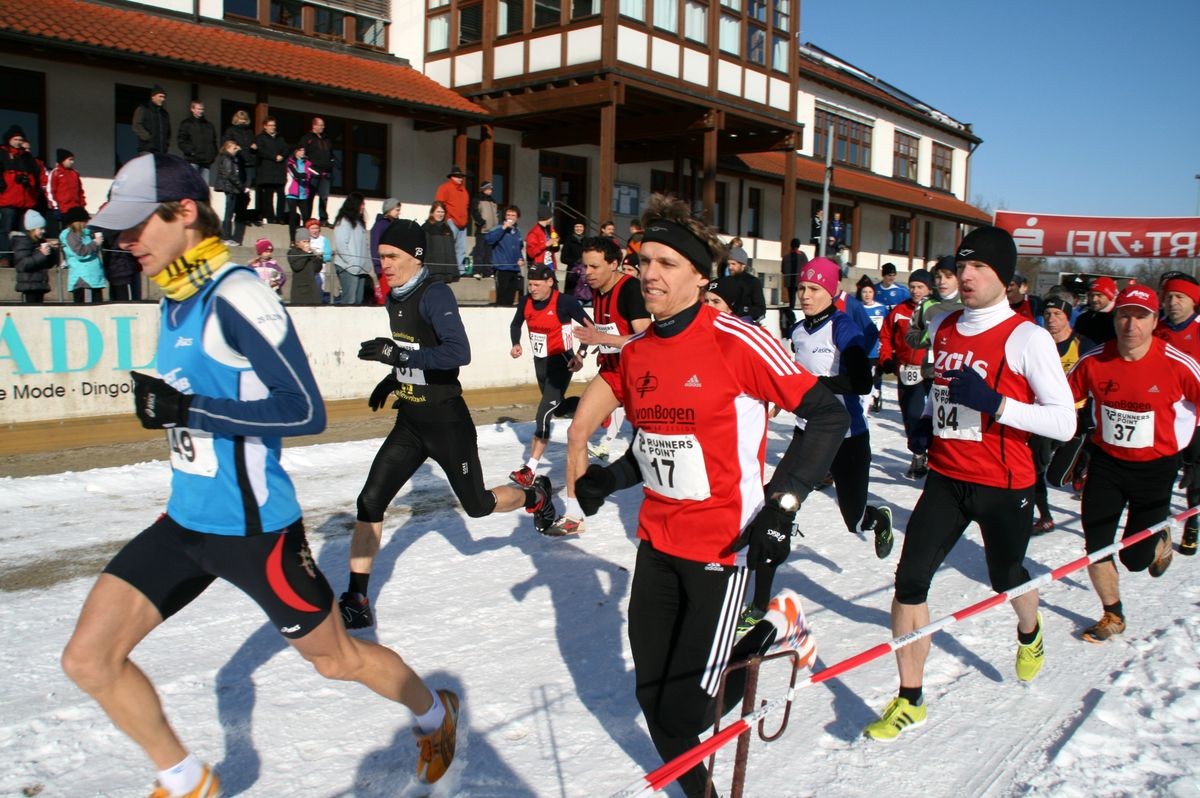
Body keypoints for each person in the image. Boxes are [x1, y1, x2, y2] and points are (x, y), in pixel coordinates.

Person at [60, 153, 461, 797]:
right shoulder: (176, 298)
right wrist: (173, 409)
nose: (126, 241)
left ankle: (435, 715)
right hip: (185, 522)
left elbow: (305, 410)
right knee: (88, 658)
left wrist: (188, 409)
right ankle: (187, 780)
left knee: (338, 660)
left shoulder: (237, 294)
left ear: (184, 213)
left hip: (257, 533)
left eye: (137, 225)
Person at [569, 194, 849, 797]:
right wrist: (608, 479)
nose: (650, 274)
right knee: (653, 698)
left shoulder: (739, 340)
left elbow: (829, 416)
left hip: (724, 549)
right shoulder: (636, 353)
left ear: (701, 276)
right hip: (656, 543)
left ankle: (776, 625)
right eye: (644, 261)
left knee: (688, 713)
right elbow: (654, 447)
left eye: (667, 263)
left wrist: (783, 505)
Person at [864, 226, 1075, 742]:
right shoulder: (945, 325)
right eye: (962, 266)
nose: (966, 275)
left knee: (1006, 577)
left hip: (1005, 483)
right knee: (910, 581)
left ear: (1003, 275)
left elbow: (1064, 423)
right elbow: (942, 394)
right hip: (947, 477)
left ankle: (1030, 630)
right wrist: (926, 426)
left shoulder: (1027, 337)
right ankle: (910, 698)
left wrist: (997, 404)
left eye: (978, 267)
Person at [340, 219, 558, 628]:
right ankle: (356, 598)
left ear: (416, 256)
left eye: (392, 257)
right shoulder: (394, 298)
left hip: (447, 424)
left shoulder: (434, 293)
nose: (384, 264)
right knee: (370, 501)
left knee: (477, 506)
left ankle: (535, 496)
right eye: (381, 257)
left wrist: (398, 357)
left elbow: (458, 353)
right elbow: (415, 350)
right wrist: (394, 377)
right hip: (410, 422)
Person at [745, 257, 893, 627]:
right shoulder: (797, 331)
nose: (806, 295)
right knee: (776, 509)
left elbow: (861, 383)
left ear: (831, 292)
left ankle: (876, 518)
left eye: (814, 289)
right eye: (802, 288)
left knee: (853, 521)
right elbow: (791, 376)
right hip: (806, 433)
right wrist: (783, 398)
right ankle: (759, 604)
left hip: (847, 436)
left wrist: (811, 387)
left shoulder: (844, 328)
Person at [1064, 283, 1198, 642]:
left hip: (1156, 468)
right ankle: (1113, 613)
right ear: (1115, 318)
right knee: (1097, 543)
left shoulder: (1177, 363)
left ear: (1155, 321)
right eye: (1124, 315)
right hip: (1107, 464)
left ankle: (1159, 539)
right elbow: (1059, 398)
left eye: (1141, 317)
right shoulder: (1094, 361)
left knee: (1135, 559)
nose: (1131, 325)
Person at [547, 236, 651, 537]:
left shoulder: (630, 290)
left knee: (651, 448)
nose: (587, 273)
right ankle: (575, 514)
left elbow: (646, 340)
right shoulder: (598, 290)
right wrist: (582, 353)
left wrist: (601, 339)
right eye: (584, 266)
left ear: (614, 264)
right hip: (611, 373)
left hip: (641, 379)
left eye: (594, 267)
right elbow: (599, 331)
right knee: (576, 433)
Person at [507, 265, 590, 487]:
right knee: (558, 408)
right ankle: (592, 407)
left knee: (543, 413)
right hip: (541, 362)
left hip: (562, 361)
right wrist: (516, 343)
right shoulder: (526, 301)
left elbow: (590, 326)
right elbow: (516, 323)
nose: (532, 289)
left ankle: (529, 469)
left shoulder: (565, 302)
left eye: (537, 284)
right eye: (530, 284)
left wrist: (580, 355)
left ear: (550, 282)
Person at [1029, 296, 1093, 535]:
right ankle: (1045, 517)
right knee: (1034, 469)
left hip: (1075, 418)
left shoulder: (1082, 344)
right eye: (1047, 314)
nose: (1051, 319)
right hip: (1044, 416)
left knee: (1058, 479)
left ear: (1068, 318)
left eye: (1057, 314)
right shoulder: (1038, 343)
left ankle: (1085, 460)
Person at [1153, 274, 1200, 555]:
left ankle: (1192, 523)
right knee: (1162, 472)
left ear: (1193, 301)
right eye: (1169, 297)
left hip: (1196, 415)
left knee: (1195, 476)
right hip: (1162, 414)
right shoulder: (1156, 328)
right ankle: (1160, 525)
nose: (1172, 302)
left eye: (1180, 297)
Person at [878, 269, 933, 478]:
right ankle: (918, 453)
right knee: (912, 414)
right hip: (908, 369)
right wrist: (886, 359)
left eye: (920, 287)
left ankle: (937, 454)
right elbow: (885, 336)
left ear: (929, 288)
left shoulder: (939, 309)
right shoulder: (900, 310)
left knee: (937, 415)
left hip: (933, 370)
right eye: (912, 287)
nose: (915, 291)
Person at [1, 126, 42, 255]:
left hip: (26, 201)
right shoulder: (2, 154)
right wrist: (5, 185)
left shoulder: (27, 157)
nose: (18, 142)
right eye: (15, 139)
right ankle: (5, 257)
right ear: (9, 139)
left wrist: (29, 184)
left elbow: (36, 177)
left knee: (23, 232)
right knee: (7, 230)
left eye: (20, 139)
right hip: (8, 199)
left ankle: (21, 256)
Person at [60, 206, 107, 303]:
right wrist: (95, 243)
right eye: (85, 221)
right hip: (85, 280)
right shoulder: (71, 235)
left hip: (92, 279)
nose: (87, 223)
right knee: (88, 308)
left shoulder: (85, 234)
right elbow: (80, 253)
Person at [333, 193, 373, 304]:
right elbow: (341, 244)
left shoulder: (359, 223)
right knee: (349, 301)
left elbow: (365, 246)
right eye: (361, 204)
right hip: (348, 268)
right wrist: (352, 262)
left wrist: (367, 264)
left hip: (360, 268)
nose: (363, 207)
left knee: (358, 301)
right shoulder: (344, 221)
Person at [13, 209, 57, 303]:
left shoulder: (40, 242)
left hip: (40, 284)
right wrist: (41, 254)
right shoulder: (23, 242)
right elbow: (22, 265)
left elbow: (49, 264)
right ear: (32, 229)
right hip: (28, 287)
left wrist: (52, 251)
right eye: (40, 228)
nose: (43, 231)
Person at [296, 117, 334, 225]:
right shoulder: (307, 138)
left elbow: (331, 154)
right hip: (313, 171)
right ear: (314, 125)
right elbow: (301, 153)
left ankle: (323, 219)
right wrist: (308, 166)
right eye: (320, 125)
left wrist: (331, 163)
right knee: (310, 196)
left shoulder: (327, 139)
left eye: (323, 125)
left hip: (326, 172)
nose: (322, 127)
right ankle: (307, 219)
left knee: (324, 196)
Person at [858, 281, 889, 412]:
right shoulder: (858, 308)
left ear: (874, 293)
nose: (867, 294)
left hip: (876, 348)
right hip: (861, 347)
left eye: (870, 292)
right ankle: (869, 395)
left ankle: (876, 395)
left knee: (875, 375)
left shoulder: (882, 309)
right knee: (863, 375)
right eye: (864, 292)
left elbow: (887, 328)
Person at [485, 204, 524, 307]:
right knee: (501, 298)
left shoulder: (517, 231)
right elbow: (489, 240)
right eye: (508, 215)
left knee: (510, 298)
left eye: (513, 215)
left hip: (514, 268)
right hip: (501, 268)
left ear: (517, 217)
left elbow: (519, 247)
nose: (510, 217)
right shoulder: (498, 228)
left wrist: (521, 258)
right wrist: (503, 228)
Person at [434, 164, 469, 273]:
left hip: (463, 224)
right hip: (451, 221)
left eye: (461, 176)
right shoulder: (444, 188)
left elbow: (466, 206)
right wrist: (444, 220)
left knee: (461, 249)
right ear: (451, 177)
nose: (460, 178)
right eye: (457, 176)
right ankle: (448, 270)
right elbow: (439, 204)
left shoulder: (464, 191)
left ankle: (460, 271)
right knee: (448, 247)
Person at [212, 139, 248, 246]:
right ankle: (225, 237)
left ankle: (226, 237)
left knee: (230, 212)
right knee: (229, 212)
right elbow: (230, 174)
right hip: (230, 188)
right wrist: (242, 187)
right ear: (228, 148)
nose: (235, 150)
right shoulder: (227, 158)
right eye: (234, 148)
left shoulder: (230, 158)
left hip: (231, 187)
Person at [254, 117, 289, 224]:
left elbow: (286, 149)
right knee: (268, 196)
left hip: (279, 171)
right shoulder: (260, 138)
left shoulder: (280, 138)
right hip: (267, 171)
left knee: (281, 195)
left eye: (274, 125)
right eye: (270, 125)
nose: (272, 127)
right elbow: (261, 151)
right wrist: (274, 156)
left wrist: (282, 156)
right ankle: (271, 217)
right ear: (265, 126)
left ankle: (280, 217)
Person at [176, 101, 217, 184]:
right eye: (198, 109)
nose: (200, 111)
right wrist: (191, 152)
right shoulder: (186, 124)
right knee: (192, 186)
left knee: (204, 187)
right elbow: (181, 141)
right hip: (193, 160)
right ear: (192, 109)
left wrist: (212, 154)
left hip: (206, 162)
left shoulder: (209, 125)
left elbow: (214, 141)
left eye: (202, 109)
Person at [722, 246, 766, 321]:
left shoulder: (753, 282)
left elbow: (760, 309)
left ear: (743, 265)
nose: (730, 267)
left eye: (733, 264)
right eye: (728, 264)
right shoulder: (724, 282)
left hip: (743, 321)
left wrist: (743, 309)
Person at [1073, 276, 1118, 346]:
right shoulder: (1083, 318)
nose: (1094, 299)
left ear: (1110, 296)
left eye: (1099, 295)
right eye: (1091, 295)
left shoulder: (1117, 319)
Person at [421, 200, 459, 284]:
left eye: (442, 212)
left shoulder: (447, 229)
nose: (440, 214)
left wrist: (454, 270)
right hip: (433, 271)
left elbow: (452, 252)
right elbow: (424, 250)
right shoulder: (426, 228)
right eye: (438, 211)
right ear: (432, 213)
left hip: (447, 271)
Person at [370, 197, 402, 295]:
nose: (399, 213)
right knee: (386, 294)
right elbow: (374, 246)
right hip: (384, 267)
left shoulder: (397, 225)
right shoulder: (379, 226)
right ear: (389, 209)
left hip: (396, 265)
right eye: (397, 210)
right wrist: (377, 266)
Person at [283, 143, 312, 244]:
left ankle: (305, 239)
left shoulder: (307, 163)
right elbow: (296, 174)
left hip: (303, 193)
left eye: (304, 150)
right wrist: (304, 175)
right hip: (292, 193)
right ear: (296, 152)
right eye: (301, 150)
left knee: (306, 217)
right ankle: (292, 240)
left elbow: (311, 173)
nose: (303, 152)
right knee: (293, 216)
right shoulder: (290, 162)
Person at [47, 148, 87, 221]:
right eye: (70, 159)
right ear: (63, 160)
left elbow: (80, 191)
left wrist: (82, 205)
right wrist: (56, 207)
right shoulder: (55, 173)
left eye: (72, 160)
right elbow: (50, 191)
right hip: (63, 209)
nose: (72, 162)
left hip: (76, 208)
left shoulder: (75, 173)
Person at [469, 180, 498, 279]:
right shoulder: (477, 199)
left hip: (492, 231)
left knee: (489, 253)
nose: (490, 190)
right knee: (479, 251)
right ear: (483, 189)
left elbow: (495, 214)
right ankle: (477, 271)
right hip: (482, 230)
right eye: (488, 188)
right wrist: (481, 222)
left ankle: (487, 272)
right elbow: (474, 212)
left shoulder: (493, 201)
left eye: (491, 189)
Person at [780, 237, 808, 336]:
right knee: (802, 295)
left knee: (791, 296)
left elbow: (783, 270)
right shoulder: (802, 256)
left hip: (789, 280)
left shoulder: (786, 256)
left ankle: (791, 308)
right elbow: (806, 267)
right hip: (799, 280)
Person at [131, 85, 170, 155]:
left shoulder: (164, 113)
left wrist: (166, 143)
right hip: (147, 150)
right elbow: (136, 126)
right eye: (160, 96)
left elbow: (168, 131)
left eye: (164, 97)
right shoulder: (143, 109)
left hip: (162, 151)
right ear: (153, 97)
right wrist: (148, 138)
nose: (163, 99)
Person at [525, 204, 560, 280]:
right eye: (551, 217)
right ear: (547, 217)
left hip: (550, 266)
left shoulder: (550, 229)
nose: (552, 219)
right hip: (539, 268)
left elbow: (555, 249)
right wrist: (546, 244)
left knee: (553, 286)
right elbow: (531, 252)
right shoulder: (533, 232)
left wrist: (556, 243)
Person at [286, 232, 322, 305]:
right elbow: (297, 267)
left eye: (308, 241)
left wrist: (317, 258)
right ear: (297, 242)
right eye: (304, 241)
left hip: (312, 287)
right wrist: (306, 254)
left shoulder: (311, 253)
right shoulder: (292, 252)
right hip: (300, 289)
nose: (307, 244)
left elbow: (317, 269)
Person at [306, 217, 336, 304]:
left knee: (319, 289)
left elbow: (328, 256)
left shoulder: (324, 240)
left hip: (321, 270)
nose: (315, 231)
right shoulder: (306, 240)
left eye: (316, 228)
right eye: (312, 228)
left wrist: (319, 256)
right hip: (308, 269)